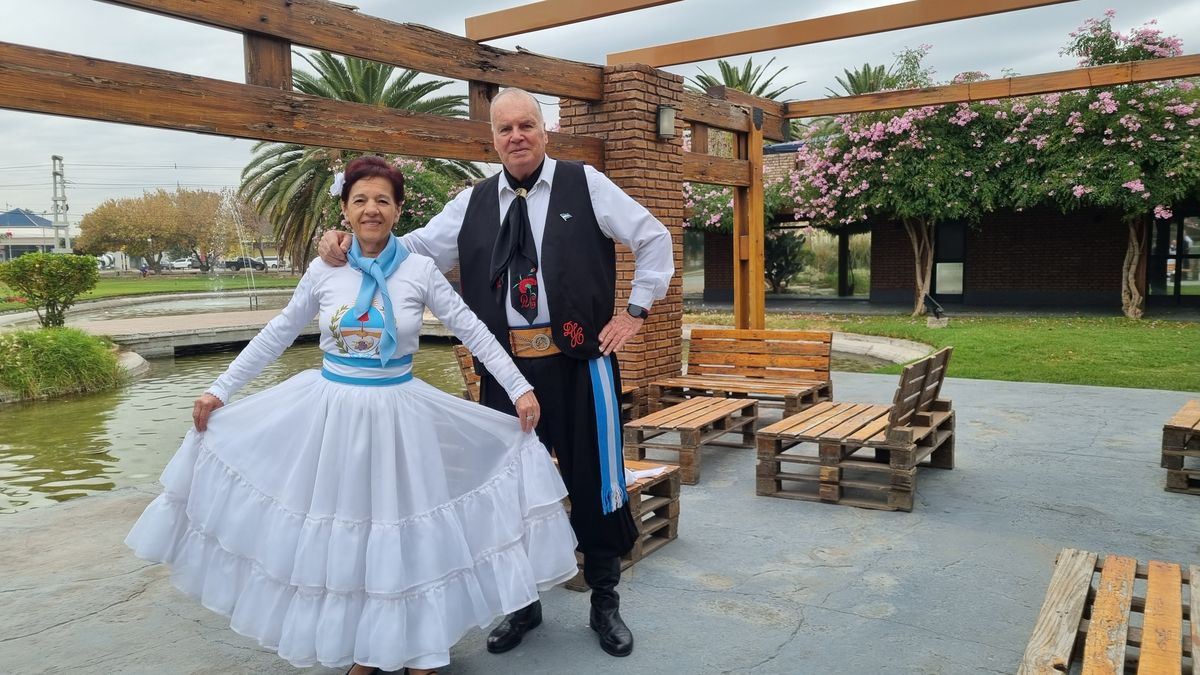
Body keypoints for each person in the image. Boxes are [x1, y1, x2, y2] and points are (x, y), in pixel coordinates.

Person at [126, 156, 579, 675]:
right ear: (344, 210)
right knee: (351, 532)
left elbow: (472, 328)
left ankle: (421, 651)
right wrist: (220, 389)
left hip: (400, 418)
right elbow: (279, 332)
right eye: (360, 200)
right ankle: (363, 650)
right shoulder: (325, 269)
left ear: (399, 210)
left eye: (383, 200)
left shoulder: (419, 270)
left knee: (404, 532)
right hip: (333, 417)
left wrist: (520, 387)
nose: (371, 210)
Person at [319, 87, 673, 658]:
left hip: (580, 364)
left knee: (594, 482)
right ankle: (521, 604)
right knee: (505, 491)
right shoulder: (472, 202)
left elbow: (653, 236)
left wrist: (634, 312)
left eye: (526, 125)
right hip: (507, 373)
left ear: (544, 130)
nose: (517, 137)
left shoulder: (585, 184)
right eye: (505, 129)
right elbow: (409, 249)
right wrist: (347, 243)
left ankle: (604, 603)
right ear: (493, 140)